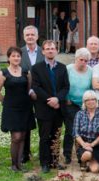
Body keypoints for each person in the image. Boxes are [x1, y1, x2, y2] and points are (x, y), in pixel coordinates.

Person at [0, 47, 36, 172]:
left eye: (18, 56)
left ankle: (19, 164)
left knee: (22, 135)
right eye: (13, 56)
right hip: (11, 109)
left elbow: (29, 89)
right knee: (16, 137)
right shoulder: (3, 73)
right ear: (8, 58)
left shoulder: (26, 72)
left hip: (25, 108)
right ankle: (13, 164)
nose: (16, 58)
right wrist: (5, 102)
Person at [32, 40, 70, 173]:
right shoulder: (37, 68)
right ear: (42, 51)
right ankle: (44, 163)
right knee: (45, 136)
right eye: (47, 49)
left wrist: (57, 99)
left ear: (56, 51)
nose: (50, 51)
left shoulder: (62, 67)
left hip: (58, 108)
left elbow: (66, 87)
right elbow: (36, 87)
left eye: (52, 48)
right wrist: (50, 100)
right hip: (44, 108)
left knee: (56, 136)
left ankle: (54, 161)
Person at [63, 48, 93, 165]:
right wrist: (66, 98)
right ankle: (67, 155)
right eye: (81, 60)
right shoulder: (68, 69)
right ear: (76, 59)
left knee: (82, 131)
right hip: (70, 104)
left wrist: (89, 103)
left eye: (86, 61)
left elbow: (91, 87)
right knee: (70, 130)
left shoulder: (90, 71)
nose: (84, 63)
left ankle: (81, 155)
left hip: (84, 105)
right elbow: (63, 84)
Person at [20, 26, 40, 164]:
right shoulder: (18, 53)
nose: (30, 37)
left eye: (32, 34)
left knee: (43, 123)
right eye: (27, 35)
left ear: (37, 36)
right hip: (24, 95)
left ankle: (44, 152)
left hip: (41, 94)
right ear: (24, 37)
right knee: (25, 124)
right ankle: (25, 154)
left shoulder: (44, 52)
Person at [73, 90, 99, 173]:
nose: (90, 102)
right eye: (87, 100)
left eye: (93, 99)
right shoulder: (79, 114)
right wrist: (84, 144)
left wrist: (92, 144)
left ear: (96, 101)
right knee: (87, 154)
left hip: (97, 144)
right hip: (83, 144)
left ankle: (91, 159)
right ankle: (84, 161)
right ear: (84, 102)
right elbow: (76, 133)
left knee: (95, 170)